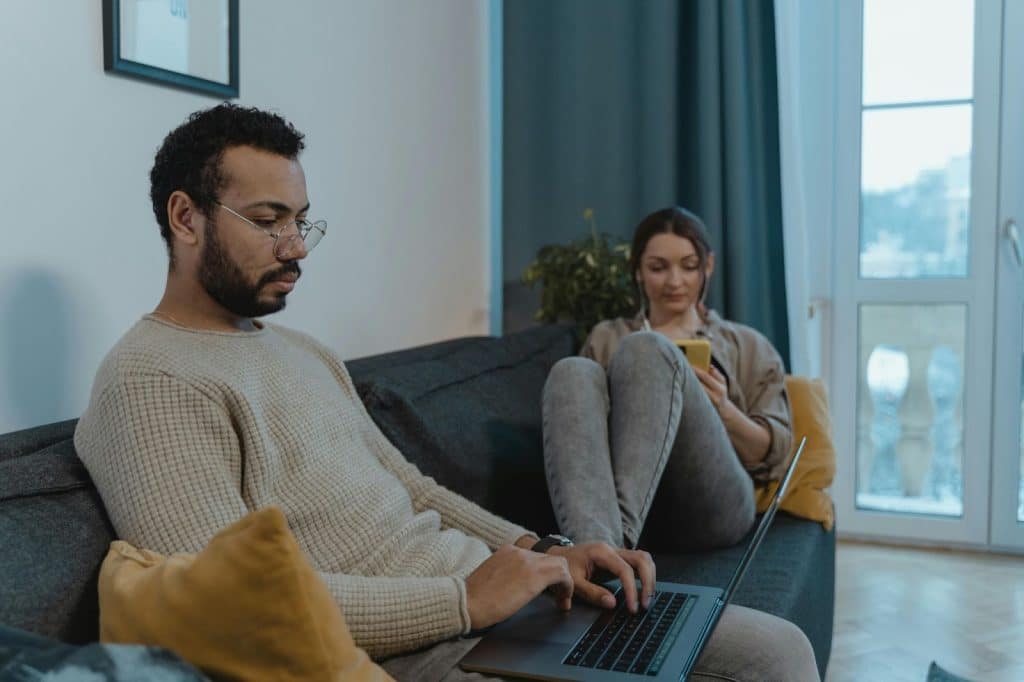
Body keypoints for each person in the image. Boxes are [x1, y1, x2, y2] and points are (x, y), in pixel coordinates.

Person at [74, 107, 815, 681]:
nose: (297, 248)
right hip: (435, 643)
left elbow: (414, 488)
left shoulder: (302, 352)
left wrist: (547, 550)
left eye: (302, 223)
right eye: (269, 222)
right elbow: (233, 610)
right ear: (185, 217)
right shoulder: (151, 381)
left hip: (503, 605)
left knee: (773, 648)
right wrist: (467, 600)